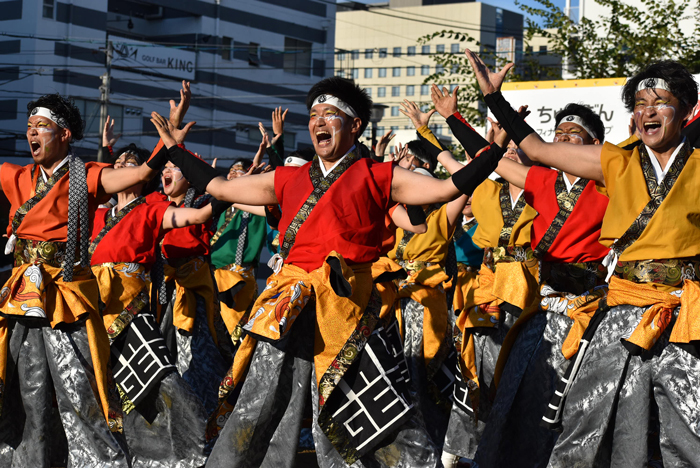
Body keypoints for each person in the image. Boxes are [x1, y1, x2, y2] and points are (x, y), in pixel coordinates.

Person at [152, 76, 506, 467]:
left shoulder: (377, 174)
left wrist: (495, 149)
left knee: (376, 414)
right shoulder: (288, 179)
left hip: (346, 309)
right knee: (257, 403)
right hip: (286, 302)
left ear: (354, 125)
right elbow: (219, 188)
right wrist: (174, 149)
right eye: (314, 115)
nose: (319, 121)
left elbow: (445, 190)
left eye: (331, 115)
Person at [467, 50, 700, 467]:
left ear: (685, 110)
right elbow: (536, 148)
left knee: (688, 426)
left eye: (659, 102)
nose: (648, 112)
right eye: (640, 104)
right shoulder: (616, 161)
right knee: (588, 419)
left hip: (684, 314)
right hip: (622, 310)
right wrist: (494, 99)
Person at [0, 92, 168, 466]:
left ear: (65, 134)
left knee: (77, 388)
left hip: (66, 296)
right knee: (25, 387)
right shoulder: (17, 176)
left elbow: (141, 174)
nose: (32, 133)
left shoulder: (86, 175)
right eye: (29, 127)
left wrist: (168, 144)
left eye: (41, 126)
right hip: (21, 297)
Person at [453, 102, 609, 468]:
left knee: (569, 403)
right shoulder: (542, 180)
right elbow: (485, 157)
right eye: (558, 136)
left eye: (574, 137)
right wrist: (455, 115)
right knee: (514, 389)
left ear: (595, 144)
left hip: (584, 308)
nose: (563, 142)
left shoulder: (609, 182)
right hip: (539, 305)